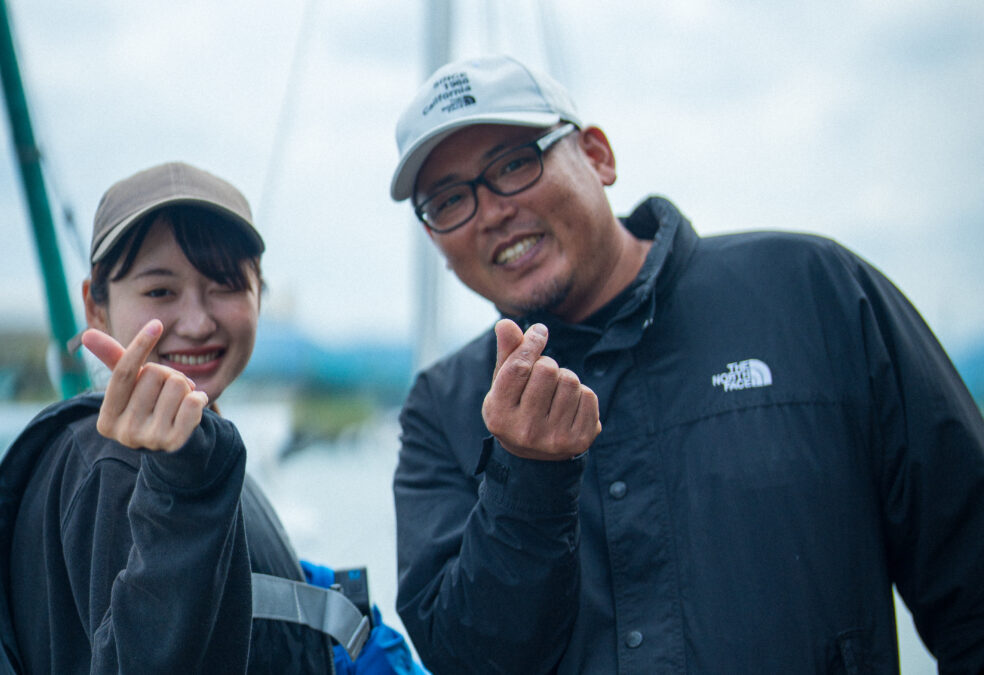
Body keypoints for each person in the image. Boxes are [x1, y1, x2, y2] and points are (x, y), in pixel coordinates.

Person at [388, 54, 984, 674]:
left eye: (514, 164)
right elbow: (466, 661)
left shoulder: (817, 293)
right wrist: (525, 477)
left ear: (597, 156)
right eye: (449, 199)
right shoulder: (441, 408)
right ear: (435, 240)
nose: (490, 212)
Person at [0, 162, 421, 673]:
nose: (197, 322)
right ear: (95, 306)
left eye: (225, 285)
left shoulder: (200, 452)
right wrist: (177, 491)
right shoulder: (115, 468)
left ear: (259, 294)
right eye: (160, 291)